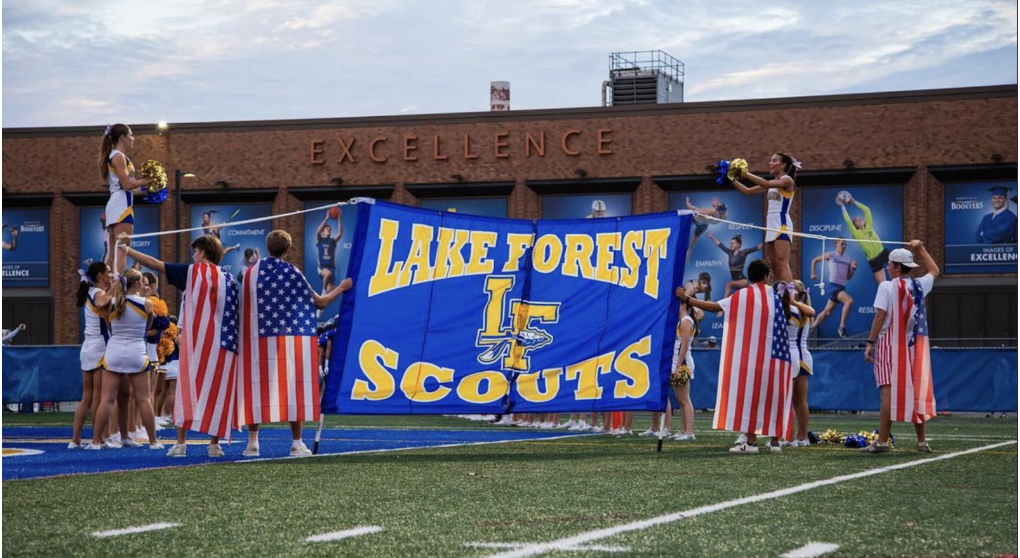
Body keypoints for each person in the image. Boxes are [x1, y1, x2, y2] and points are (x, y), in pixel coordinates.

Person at [118, 233, 239, 457]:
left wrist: (126, 250)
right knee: (217, 391)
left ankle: (181, 443)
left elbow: (154, 264)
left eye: (195, 252)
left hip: (195, 343)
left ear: (202, 253)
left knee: (185, 388)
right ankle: (214, 444)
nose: (193, 256)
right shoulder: (229, 279)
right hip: (222, 345)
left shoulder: (192, 272)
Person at [237, 230, 354, 457]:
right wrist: (340, 288)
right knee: (293, 386)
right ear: (288, 250)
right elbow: (319, 303)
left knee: (256, 386)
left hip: (257, 340)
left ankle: (252, 443)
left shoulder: (252, 272)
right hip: (289, 340)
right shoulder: (292, 272)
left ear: (267, 246)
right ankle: (296, 443)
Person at [678, 259, 792, 454]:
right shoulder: (777, 295)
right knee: (774, 396)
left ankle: (751, 443)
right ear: (766, 276)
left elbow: (714, 307)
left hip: (752, 356)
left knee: (751, 396)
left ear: (750, 276)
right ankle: (774, 442)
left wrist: (688, 299)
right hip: (778, 357)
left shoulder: (744, 294)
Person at [863, 241, 939, 453]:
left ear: (897, 267)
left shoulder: (886, 286)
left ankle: (882, 442)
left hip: (889, 343)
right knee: (915, 391)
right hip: (913, 346)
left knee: (887, 394)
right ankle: (921, 441)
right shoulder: (919, 285)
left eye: (889, 265)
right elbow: (935, 270)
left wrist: (870, 342)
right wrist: (922, 249)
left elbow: (880, 316)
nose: (886, 267)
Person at [87, 269, 162, 451]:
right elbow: (148, 327)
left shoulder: (111, 303)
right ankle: (153, 441)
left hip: (114, 352)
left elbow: (108, 326)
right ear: (136, 284)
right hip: (137, 352)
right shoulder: (147, 303)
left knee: (107, 399)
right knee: (144, 399)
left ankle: (96, 441)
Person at [730, 153, 799, 282]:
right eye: (770, 160)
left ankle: (790, 294)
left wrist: (745, 173)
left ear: (783, 165)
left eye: (774, 161)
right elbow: (747, 191)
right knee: (774, 266)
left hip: (782, 224)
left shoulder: (787, 180)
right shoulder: (772, 184)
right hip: (771, 225)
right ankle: (780, 291)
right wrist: (731, 178)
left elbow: (766, 184)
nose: (770, 163)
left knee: (782, 263)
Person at [69, 263, 114, 448]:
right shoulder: (98, 293)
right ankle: (98, 439)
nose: (111, 275)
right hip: (100, 345)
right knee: (97, 397)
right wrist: (115, 290)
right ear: (100, 275)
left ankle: (75, 440)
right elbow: (101, 304)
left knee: (86, 397)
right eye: (109, 272)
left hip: (87, 345)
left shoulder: (90, 291)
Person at [100, 124, 153, 274]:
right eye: (130, 135)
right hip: (121, 207)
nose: (133, 138)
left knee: (112, 253)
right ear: (122, 138)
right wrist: (147, 180)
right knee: (122, 249)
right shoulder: (118, 156)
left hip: (117, 204)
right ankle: (119, 288)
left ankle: (106, 289)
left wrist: (148, 188)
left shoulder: (116, 155)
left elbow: (130, 189)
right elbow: (127, 184)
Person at [785, 280, 816, 447]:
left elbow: (811, 312)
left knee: (798, 400)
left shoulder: (797, 308)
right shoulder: (796, 307)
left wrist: (793, 301)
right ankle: (799, 437)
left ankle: (798, 436)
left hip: (800, 356)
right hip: (801, 356)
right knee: (796, 400)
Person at [810, 237, 857, 337]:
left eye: (845, 244)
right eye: (842, 244)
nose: (843, 246)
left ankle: (810, 331)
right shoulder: (831, 255)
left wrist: (853, 269)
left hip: (841, 288)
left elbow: (848, 277)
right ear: (836, 244)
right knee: (849, 301)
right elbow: (815, 260)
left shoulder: (848, 259)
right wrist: (813, 273)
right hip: (833, 287)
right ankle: (841, 328)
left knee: (827, 312)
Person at [839, 193, 889, 285]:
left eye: (860, 218)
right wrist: (842, 206)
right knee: (883, 286)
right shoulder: (857, 234)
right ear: (855, 226)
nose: (859, 219)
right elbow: (848, 221)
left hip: (883, 253)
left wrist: (854, 202)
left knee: (899, 263)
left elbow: (867, 210)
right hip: (874, 260)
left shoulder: (869, 225)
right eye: (856, 220)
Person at [670, 298, 699, 442]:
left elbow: (685, 346)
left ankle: (689, 432)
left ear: (683, 305)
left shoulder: (686, 321)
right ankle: (683, 430)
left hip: (683, 363)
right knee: (680, 399)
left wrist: (677, 367)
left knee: (685, 399)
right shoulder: (681, 321)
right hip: (678, 362)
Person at [707, 232, 762, 298]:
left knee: (729, 284)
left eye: (733, 243)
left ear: (738, 245)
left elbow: (758, 247)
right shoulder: (729, 253)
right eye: (730, 243)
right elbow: (720, 244)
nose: (731, 245)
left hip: (743, 281)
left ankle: (722, 306)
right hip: (736, 282)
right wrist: (712, 236)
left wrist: (768, 240)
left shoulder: (743, 253)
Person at [684, 197, 729, 263]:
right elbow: (693, 208)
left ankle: (688, 254)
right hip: (695, 219)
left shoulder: (724, 217)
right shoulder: (706, 213)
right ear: (716, 211)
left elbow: (721, 211)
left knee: (695, 238)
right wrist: (688, 203)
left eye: (723, 213)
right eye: (720, 213)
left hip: (704, 224)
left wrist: (715, 205)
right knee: (682, 229)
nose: (721, 216)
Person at [316, 210, 344, 301]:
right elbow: (317, 232)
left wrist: (339, 218)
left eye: (330, 230)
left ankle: (321, 308)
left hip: (332, 268)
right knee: (327, 273)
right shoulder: (320, 240)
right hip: (322, 267)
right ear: (323, 232)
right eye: (327, 229)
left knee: (331, 291)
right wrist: (326, 218)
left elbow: (339, 234)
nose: (329, 230)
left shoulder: (332, 241)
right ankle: (323, 291)